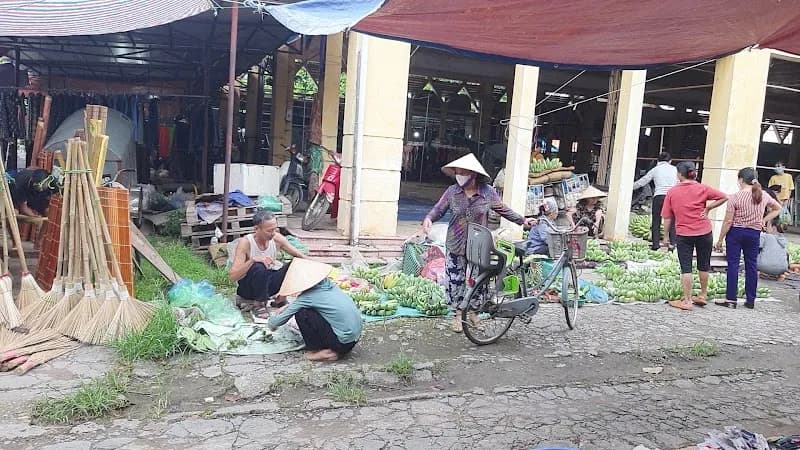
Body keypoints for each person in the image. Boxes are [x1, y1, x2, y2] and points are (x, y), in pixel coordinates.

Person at [422, 153, 535, 333]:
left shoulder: (487, 192)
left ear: (472, 174)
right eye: (457, 172)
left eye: (463, 172)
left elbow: (503, 210)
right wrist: (429, 218)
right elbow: (439, 209)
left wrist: (523, 221)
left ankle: (474, 313)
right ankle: (458, 316)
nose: (459, 175)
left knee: (477, 281)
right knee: (455, 280)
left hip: (478, 244)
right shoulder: (452, 192)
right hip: (455, 243)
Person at [661, 162, 728, 311]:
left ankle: (687, 301)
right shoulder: (702, 188)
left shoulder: (672, 192)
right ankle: (703, 295)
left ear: (679, 174)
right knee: (704, 265)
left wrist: (665, 236)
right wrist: (708, 208)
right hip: (704, 231)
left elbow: (667, 218)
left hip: (684, 234)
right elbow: (724, 197)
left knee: (686, 268)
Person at [268, 259, 362, 362]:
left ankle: (317, 352)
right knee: (307, 310)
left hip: (341, 344)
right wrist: (287, 307)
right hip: (353, 340)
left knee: (303, 313)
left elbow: (275, 323)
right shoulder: (328, 285)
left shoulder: (307, 297)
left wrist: (272, 320)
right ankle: (332, 348)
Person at [713, 168, 781, 309]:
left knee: (733, 265)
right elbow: (777, 208)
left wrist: (720, 239)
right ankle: (750, 300)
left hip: (736, 233)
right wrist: (764, 220)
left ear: (741, 180)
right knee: (751, 266)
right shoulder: (763, 195)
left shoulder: (734, 197)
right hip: (753, 234)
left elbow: (728, 221)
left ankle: (731, 299)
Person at [228, 210, 306, 317]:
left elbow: (301, 256)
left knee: (295, 263)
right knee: (259, 266)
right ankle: (259, 304)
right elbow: (233, 276)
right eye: (269, 231)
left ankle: (281, 298)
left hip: (268, 285)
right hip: (249, 288)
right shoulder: (246, 243)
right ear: (256, 229)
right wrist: (252, 260)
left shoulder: (276, 238)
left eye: (274, 229)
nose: (273, 233)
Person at [632, 152, 678, 250]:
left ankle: (655, 245)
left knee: (656, 220)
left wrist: (629, 186)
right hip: (672, 197)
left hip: (659, 196)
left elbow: (643, 181)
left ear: (658, 161)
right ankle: (672, 244)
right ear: (670, 161)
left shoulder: (655, 170)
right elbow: (680, 183)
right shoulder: (675, 170)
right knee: (673, 221)